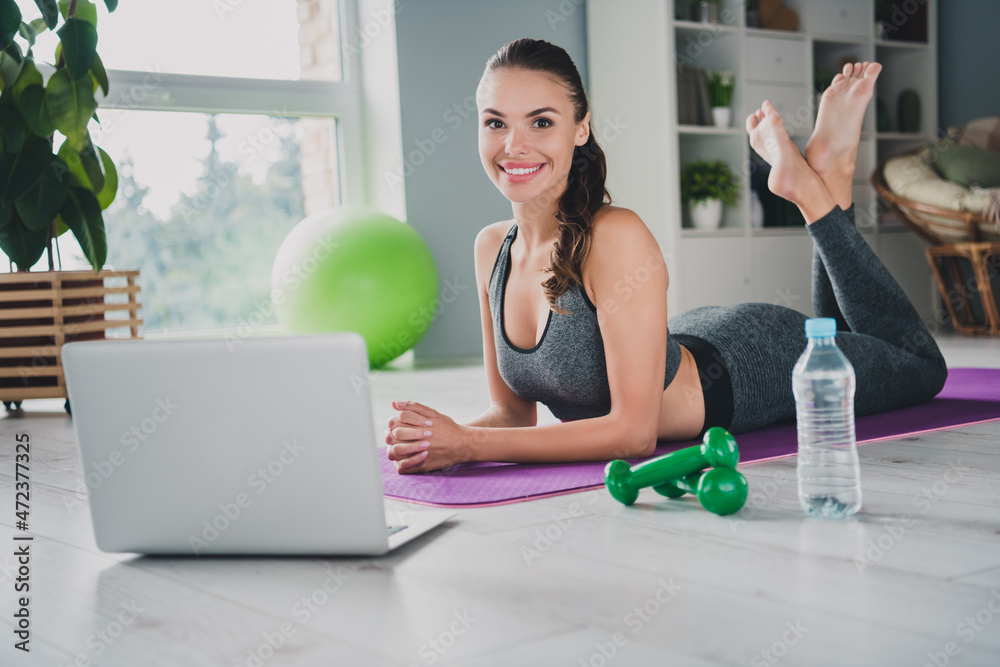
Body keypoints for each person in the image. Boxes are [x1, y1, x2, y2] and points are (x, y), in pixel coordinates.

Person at [384, 38, 947, 474]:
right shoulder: (492, 249)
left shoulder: (615, 234)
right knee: (847, 331)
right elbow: (512, 416)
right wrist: (441, 436)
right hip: (691, 336)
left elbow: (634, 434)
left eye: (541, 121)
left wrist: (471, 445)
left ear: (580, 129)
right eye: (495, 123)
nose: (514, 145)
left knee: (917, 365)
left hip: (755, 361)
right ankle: (830, 174)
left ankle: (814, 195)